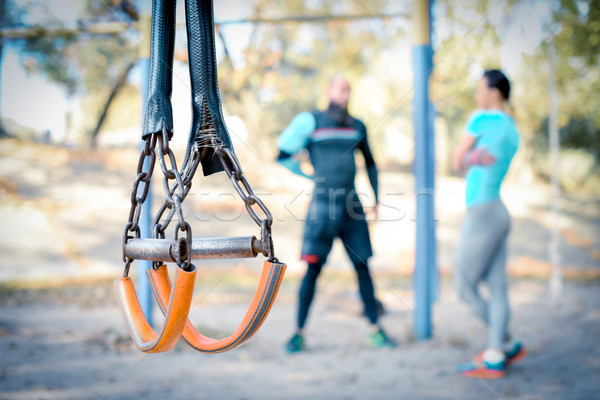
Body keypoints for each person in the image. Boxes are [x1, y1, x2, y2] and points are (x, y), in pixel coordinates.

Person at [277, 75, 397, 352]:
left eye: (348, 90)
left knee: (363, 267)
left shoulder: (357, 126)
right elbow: (282, 154)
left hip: (352, 209)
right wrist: (308, 175)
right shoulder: (312, 122)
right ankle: (297, 333)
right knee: (312, 269)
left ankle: (376, 330)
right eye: (340, 89)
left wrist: (376, 199)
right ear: (329, 91)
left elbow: (370, 163)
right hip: (321, 208)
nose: (344, 95)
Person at [451, 69, 526, 378]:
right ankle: (498, 351)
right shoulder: (512, 128)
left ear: (494, 92)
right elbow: (484, 158)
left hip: (482, 211)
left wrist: (469, 158)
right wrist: (477, 157)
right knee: (497, 288)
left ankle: (502, 342)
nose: (478, 95)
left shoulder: (482, 119)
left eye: (481, 89)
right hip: (498, 212)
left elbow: (456, 161)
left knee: (463, 286)